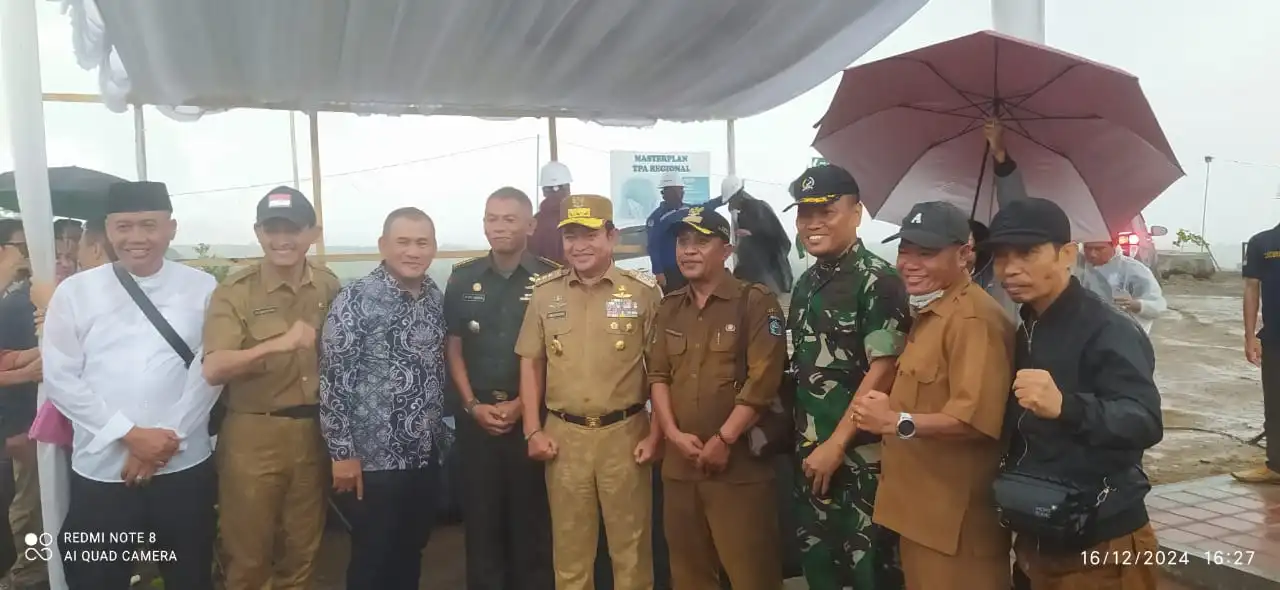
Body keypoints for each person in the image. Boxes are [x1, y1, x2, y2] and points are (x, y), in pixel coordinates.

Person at [44, 181, 221, 590]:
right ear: (108, 230)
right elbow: (61, 378)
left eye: (148, 225)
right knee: (95, 577)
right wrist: (129, 435)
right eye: (124, 226)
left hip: (182, 465)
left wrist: (164, 441)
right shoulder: (75, 292)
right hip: (102, 468)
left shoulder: (203, 288)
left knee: (189, 575)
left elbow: (208, 371)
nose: (136, 238)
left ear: (171, 228)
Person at [980, 197, 1163, 589]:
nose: (1010, 269)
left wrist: (1066, 406)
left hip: (1101, 543)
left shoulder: (1108, 328)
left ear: (1066, 254)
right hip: (1038, 531)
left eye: (1028, 252)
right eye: (1000, 255)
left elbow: (1144, 421)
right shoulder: (1029, 323)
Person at [854, 201, 1014, 589]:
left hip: (955, 526)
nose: (909, 263)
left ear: (964, 255)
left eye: (926, 253)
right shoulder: (932, 312)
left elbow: (972, 421)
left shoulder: (974, 321)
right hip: (920, 512)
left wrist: (895, 422)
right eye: (904, 250)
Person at [514, 194, 663, 590]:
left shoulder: (642, 293)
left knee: (630, 552)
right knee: (570, 554)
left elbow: (662, 372)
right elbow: (530, 362)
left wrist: (657, 433)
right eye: (571, 236)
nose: (579, 246)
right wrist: (532, 429)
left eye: (590, 235)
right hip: (563, 438)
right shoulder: (545, 294)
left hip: (626, 435)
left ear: (612, 237)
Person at [201, 187, 338, 589]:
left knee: (303, 553)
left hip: (313, 433)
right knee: (248, 557)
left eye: (293, 229)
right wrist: (279, 343)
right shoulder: (235, 291)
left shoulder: (327, 286)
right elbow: (215, 367)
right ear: (258, 232)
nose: (283, 240)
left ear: (313, 232)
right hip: (253, 436)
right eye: (272, 229)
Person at [784, 164, 911, 590]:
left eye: (826, 210)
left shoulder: (880, 280)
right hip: (811, 456)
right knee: (819, 570)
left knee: (869, 571)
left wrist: (837, 445)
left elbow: (885, 367)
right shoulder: (805, 283)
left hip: (860, 462)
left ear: (857, 212)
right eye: (804, 212)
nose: (813, 222)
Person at [647, 207, 787, 590]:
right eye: (682, 242)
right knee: (690, 575)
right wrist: (672, 436)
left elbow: (764, 381)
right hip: (680, 469)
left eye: (701, 242)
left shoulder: (755, 302)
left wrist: (724, 439)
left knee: (752, 574)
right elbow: (658, 375)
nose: (688, 251)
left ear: (726, 250)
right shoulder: (669, 306)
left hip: (738, 470)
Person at [319, 207, 451, 590]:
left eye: (422, 242)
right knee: (373, 558)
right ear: (383, 246)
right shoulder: (356, 299)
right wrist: (342, 454)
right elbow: (333, 381)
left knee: (411, 551)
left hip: (423, 453)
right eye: (403, 242)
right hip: (373, 461)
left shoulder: (432, 296)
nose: (413, 251)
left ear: (434, 248)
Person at [444, 187, 557, 590]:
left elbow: (554, 355)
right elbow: (453, 347)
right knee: (482, 528)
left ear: (530, 225)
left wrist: (522, 406)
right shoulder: (463, 278)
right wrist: (472, 404)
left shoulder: (550, 279)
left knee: (533, 527)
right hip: (477, 423)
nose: (499, 226)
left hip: (531, 422)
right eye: (492, 218)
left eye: (509, 218)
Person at [0, 219, 43, 590]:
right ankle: (27, 577)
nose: (31, 258)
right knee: (27, 508)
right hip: (19, 427)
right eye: (23, 248)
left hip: (30, 427)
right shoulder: (13, 302)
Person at [1234, 224, 1280, 483]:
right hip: (1275, 338)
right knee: (1275, 404)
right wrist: (1250, 336)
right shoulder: (1263, 242)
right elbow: (1252, 288)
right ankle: (1276, 466)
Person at [1078, 241, 1167, 333]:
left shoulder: (1133, 269)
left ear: (1114, 246)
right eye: (1088, 248)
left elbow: (1157, 306)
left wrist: (1134, 304)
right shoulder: (1079, 265)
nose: (1092, 254)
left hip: (1124, 333)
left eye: (1099, 249)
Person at [646, 171, 690, 293]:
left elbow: (706, 207)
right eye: (678, 190)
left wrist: (722, 199)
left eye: (682, 190)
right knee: (674, 305)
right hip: (670, 271)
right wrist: (658, 272)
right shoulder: (656, 218)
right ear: (665, 193)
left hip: (688, 266)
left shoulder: (687, 209)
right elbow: (653, 246)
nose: (681, 193)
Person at [531, 161, 573, 265]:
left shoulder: (534, 223)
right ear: (567, 189)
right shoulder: (580, 218)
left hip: (543, 279)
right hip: (576, 279)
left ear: (544, 191)